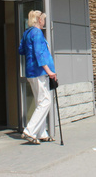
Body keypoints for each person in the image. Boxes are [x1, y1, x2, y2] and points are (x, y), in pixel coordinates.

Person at [18, 10, 57, 144]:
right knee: (46, 101)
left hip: (31, 72)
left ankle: (41, 133)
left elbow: (21, 50)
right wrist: (49, 71)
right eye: (43, 19)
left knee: (40, 101)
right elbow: (39, 54)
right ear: (39, 20)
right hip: (39, 72)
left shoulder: (27, 33)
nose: (44, 21)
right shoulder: (37, 33)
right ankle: (29, 131)